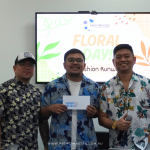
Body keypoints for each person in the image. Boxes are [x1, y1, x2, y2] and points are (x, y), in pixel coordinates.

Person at [40, 48, 100, 150]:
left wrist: (95, 113)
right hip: (59, 144)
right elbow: (41, 114)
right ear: (64, 65)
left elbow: (100, 113)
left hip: (86, 144)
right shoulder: (52, 86)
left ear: (84, 65)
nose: (75, 63)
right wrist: (50, 108)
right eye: (71, 60)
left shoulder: (93, 87)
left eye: (79, 60)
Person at [98, 44, 150, 150]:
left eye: (127, 56)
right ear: (113, 62)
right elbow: (102, 118)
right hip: (116, 145)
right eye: (118, 57)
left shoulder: (147, 84)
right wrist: (115, 124)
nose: (123, 59)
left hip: (145, 144)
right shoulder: (106, 87)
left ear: (134, 60)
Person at [0, 51, 49, 150]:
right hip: (8, 147)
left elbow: (42, 122)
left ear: (34, 69)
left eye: (31, 65)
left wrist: (46, 145)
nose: (27, 67)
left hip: (32, 147)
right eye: (22, 64)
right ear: (14, 68)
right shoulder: (3, 90)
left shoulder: (37, 93)